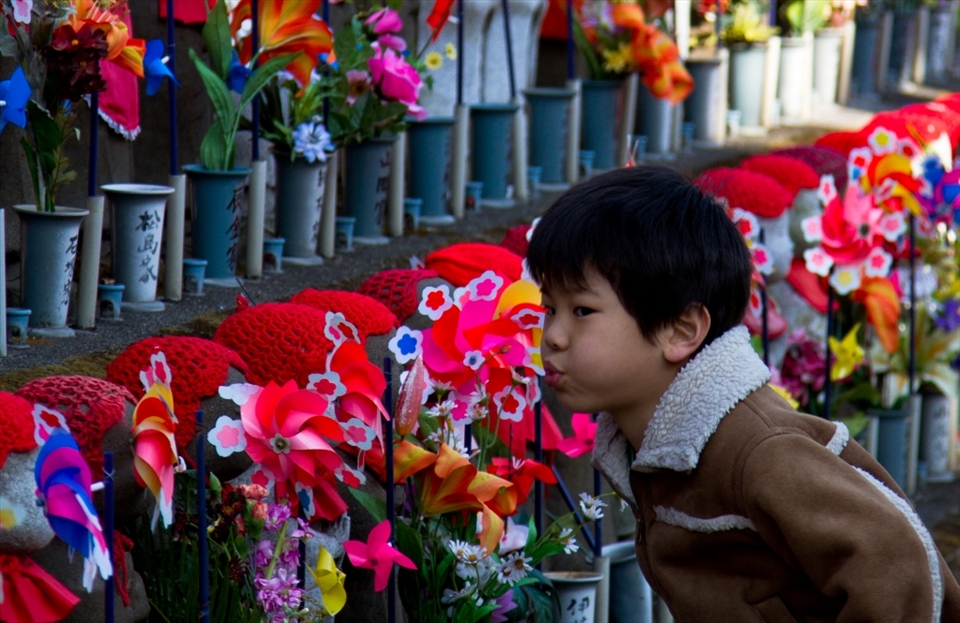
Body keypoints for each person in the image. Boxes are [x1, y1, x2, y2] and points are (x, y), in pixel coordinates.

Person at [526, 165, 960, 622]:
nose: (553, 335)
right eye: (549, 308)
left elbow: (897, 560)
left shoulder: (758, 451)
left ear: (681, 330)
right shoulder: (656, 442)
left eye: (582, 310)